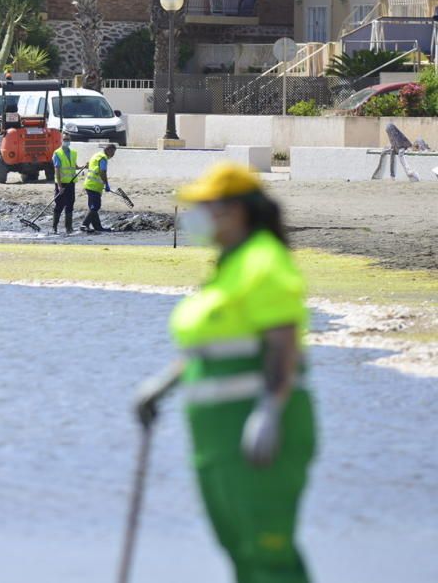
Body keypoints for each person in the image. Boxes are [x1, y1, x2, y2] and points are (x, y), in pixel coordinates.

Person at [135, 162, 317, 583]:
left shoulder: (263, 262)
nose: (194, 216)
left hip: (255, 427)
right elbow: (211, 348)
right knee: (239, 548)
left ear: (235, 211)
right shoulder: (227, 266)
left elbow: (282, 346)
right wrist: (161, 388)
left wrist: (270, 412)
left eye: (205, 207)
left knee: (268, 549)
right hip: (216, 436)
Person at [80, 144, 116, 233]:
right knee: (95, 206)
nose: (113, 155)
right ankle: (84, 225)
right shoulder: (103, 158)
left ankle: (98, 227)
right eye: (113, 152)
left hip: (90, 184)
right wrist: (106, 184)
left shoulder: (96, 155)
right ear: (108, 150)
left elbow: (91, 166)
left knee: (93, 207)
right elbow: (102, 172)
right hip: (93, 186)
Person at [51, 132, 79, 234]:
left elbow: (74, 166)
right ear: (61, 140)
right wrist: (59, 186)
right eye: (65, 139)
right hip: (61, 183)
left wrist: (82, 166)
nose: (67, 141)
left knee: (70, 204)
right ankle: (54, 227)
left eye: (68, 139)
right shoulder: (57, 153)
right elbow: (57, 170)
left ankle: (69, 228)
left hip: (71, 183)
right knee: (59, 204)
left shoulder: (73, 153)